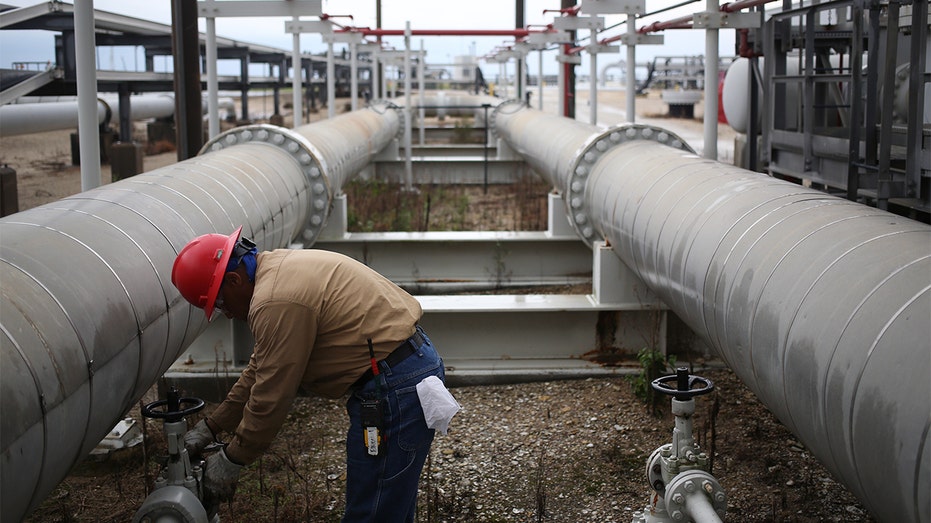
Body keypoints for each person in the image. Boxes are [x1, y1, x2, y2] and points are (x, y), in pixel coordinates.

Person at [171, 226, 446, 522]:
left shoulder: (275, 301)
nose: (226, 313)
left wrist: (233, 458)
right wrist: (212, 427)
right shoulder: (276, 269)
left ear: (235, 280)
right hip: (405, 371)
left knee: (372, 511)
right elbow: (259, 369)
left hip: (395, 388)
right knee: (387, 503)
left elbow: (271, 395)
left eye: (220, 303)